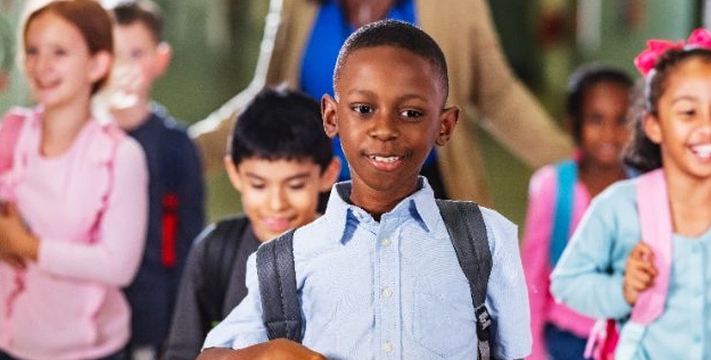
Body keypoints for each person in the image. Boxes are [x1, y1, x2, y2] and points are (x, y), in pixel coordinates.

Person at [198, 20, 530, 359]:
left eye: (411, 112)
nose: (384, 129)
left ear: (444, 126)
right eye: (363, 109)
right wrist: (269, 352)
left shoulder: (486, 239)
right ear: (331, 117)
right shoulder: (285, 259)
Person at [549, 29, 711, 359]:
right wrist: (621, 290)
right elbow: (566, 283)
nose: (708, 126)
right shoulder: (619, 207)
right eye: (688, 112)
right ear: (653, 125)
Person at [192, 0, 573, 208]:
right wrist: (181, 151)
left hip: (428, 193)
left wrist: (579, 167)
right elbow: (267, 98)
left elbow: (497, 94)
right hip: (321, 199)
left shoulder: (454, 6)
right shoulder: (298, 5)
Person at [0, 1, 148, 359]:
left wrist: (28, 246)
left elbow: (118, 266)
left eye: (59, 52)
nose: (41, 66)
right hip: (2, 341)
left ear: (97, 63)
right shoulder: (10, 131)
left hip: (87, 350)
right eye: (32, 50)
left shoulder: (121, 156)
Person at [161, 86, 340, 360]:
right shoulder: (215, 251)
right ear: (234, 173)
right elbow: (182, 352)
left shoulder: (345, 250)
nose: (276, 203)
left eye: (295, 185)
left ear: (328, 175)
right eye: (259, 185)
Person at [106, 2, 206, 358]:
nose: (123, 68)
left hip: (151, 317)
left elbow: (189, 246)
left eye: (136, 53)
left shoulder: (176, 147)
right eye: (112, 54)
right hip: (86, 315)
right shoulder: (83, 139)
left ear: (160, 59)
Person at [520, 65, 633, 359]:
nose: (610, 133)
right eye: (596, 120)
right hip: (565, 339)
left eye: (622, 120)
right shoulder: (553, 186)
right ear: (573, 124)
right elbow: (532, 273)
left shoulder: (646, 188)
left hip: (629, 339)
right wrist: (532, 351)